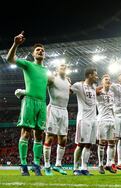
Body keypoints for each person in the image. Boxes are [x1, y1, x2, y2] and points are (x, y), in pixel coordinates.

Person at [6, 31, 48, 176]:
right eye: (38, 50)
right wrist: (15, 44)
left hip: (42, 103)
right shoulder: (28, 65)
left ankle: (36, 165)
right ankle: (23, 164)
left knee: (39, 135)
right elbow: (10, 59)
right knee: (26, 133)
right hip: (29, 101)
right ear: (33, 54)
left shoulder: (47, 71)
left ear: (45, 55)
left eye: (42, 50)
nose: (41, 51)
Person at [43, 64, 71, 176]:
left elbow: (68, 92)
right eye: (61, 66)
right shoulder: (52, 78)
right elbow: (42, 84)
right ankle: (47, 166)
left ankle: (58, 165)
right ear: (56, 69)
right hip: (53, 108)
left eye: (65, 66)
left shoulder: (68, 82)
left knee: (63, 138)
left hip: (64, 110)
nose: (63, 66)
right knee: (49, 137)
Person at [71, 68, 98, 176]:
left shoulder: (94, 87)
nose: (97, 77)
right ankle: (75, 168)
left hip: (93, 119)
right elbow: (68, 90)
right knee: (80, 144)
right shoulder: (79, 85)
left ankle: (84, 168)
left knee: (89, 145)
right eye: (95, 75)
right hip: (83, 119)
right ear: (90, 75)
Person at [96, 74, 117, 174]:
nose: (108, 81)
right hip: (102, 120)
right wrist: (101, 87)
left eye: (109, 79)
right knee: (102, 142)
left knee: (112, 143)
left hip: (111, 120)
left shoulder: (112, 93)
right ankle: (100, 165)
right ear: (102, 82)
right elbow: (93, 91)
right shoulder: (98, 92)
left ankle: (108, 164)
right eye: (106, 80)